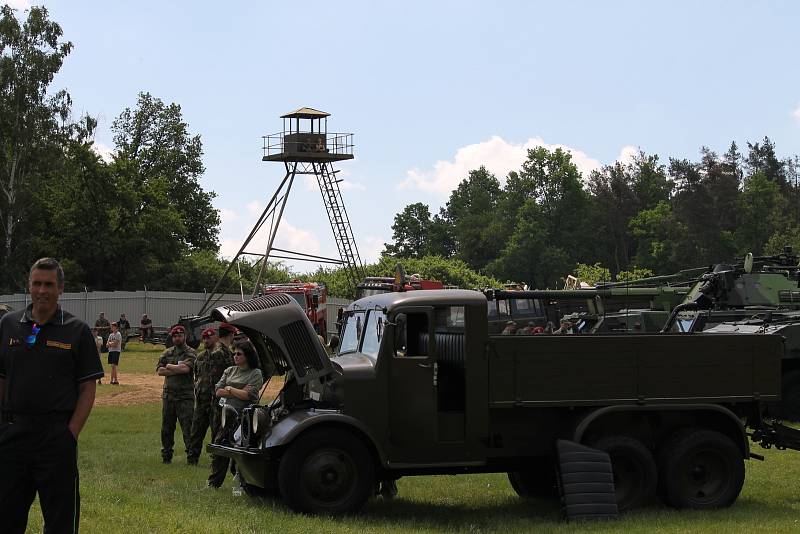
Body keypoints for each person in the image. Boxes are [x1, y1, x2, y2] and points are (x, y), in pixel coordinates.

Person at [0, 257, 104, 533]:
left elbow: (87, 386)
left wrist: (71, 432)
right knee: (6, 516)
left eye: (49, 284)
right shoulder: (8, 325)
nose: (42, 290)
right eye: (37, 284)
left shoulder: (76, 330)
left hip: (55, 438)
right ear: (29, 286)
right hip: (12, 435)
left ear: (61, 288)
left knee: (60, 520)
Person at [207, 337, 263, 488]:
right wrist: (236, 391)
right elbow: (218, 391)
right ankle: (214, 483)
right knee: (220, 446)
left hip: (244, 418)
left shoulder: (255, 373)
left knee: (238, 453)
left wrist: (229, 389)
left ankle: (241, 484)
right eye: (234, 354)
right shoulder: (229, 370)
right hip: (225, 415)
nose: (235, 357)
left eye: (239, 354)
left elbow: (247, 396)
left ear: (248, 356)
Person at [156, 325, 196, 464]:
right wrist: (176, 369)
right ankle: (166, 456)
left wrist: (169, 366)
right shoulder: (167, 352)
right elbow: (160, 371)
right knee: (167, 428)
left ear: (185, 336)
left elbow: (185, 369)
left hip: (185, 397)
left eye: (180, 335)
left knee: (188, 427)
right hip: (169, 396)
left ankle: (191, 458)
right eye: (175, 336)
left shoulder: (191, 352)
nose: (177, 338)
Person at [187, 327, 220, 465]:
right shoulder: (200, 357)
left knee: (216, 433)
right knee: (196, 432)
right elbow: (196, 375)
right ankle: (192, 460)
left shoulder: (221, 356)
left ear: (216, 338)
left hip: (215, 401)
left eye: (209, 337)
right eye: (204, 338)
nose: (206, 340)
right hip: (201, 401)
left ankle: (216, 461)